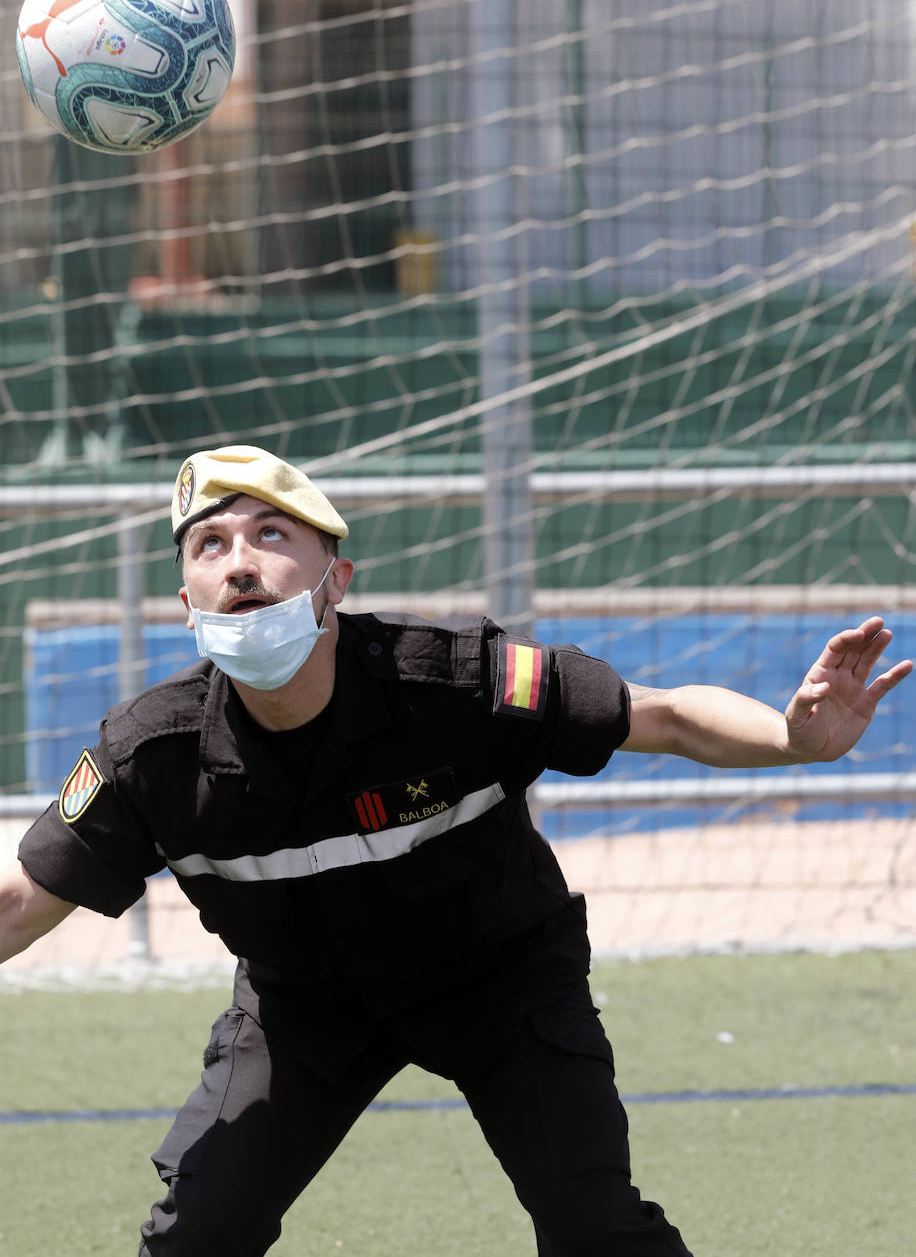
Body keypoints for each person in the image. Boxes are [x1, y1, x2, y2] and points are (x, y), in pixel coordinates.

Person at [0, 443, 911, 1256]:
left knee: (594, 1228)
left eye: (273, 535)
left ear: (337, 577)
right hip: (304, 1009)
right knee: (197, 1235)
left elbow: (665, 716)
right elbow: (18, 902)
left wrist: (791, 741)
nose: (241, 562)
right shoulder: (148, 757)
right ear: (187, 600)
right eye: (211, 545)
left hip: (501, 980)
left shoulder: (460, 680)